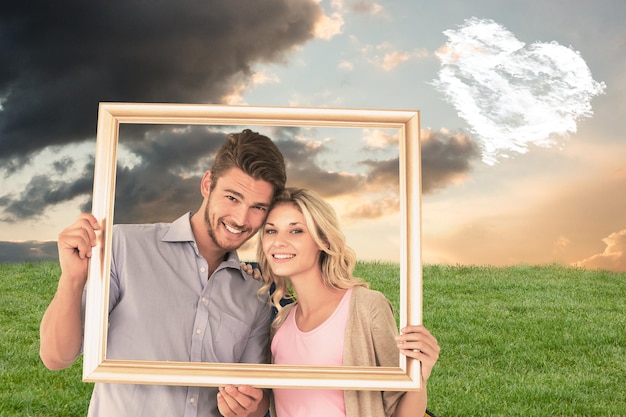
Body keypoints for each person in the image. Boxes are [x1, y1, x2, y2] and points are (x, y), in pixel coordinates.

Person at [39, 129, 287, 417]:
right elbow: (56, 357)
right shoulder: (123, 246)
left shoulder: (253, 293)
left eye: (257, 207)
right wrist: (71, 278)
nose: (241, 219)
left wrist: (252, 407)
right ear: (207, 184)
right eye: (232, 197)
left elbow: (254, 401)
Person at [254, 187, 440, 417]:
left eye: (296, 231)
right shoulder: (280, 324)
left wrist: (419, 376)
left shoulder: (367, 307)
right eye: (271, 231)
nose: (278, 242)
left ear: (323, 240)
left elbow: (400, 409)